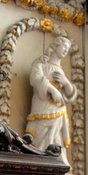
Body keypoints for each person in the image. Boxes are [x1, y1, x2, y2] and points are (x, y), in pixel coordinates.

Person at [25, 37, 76, 166]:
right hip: (42, 108)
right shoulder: (40, 63)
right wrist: (53, 90)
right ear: (55, 46)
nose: (66, 51)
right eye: (64, 47)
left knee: (56, 138)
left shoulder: (61, 70)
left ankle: (56, 164)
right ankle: (39, 164)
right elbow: (36, 79)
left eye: (68, 49)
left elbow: (69, 95)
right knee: (41, 137)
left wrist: (65, 82)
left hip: (58, 111)